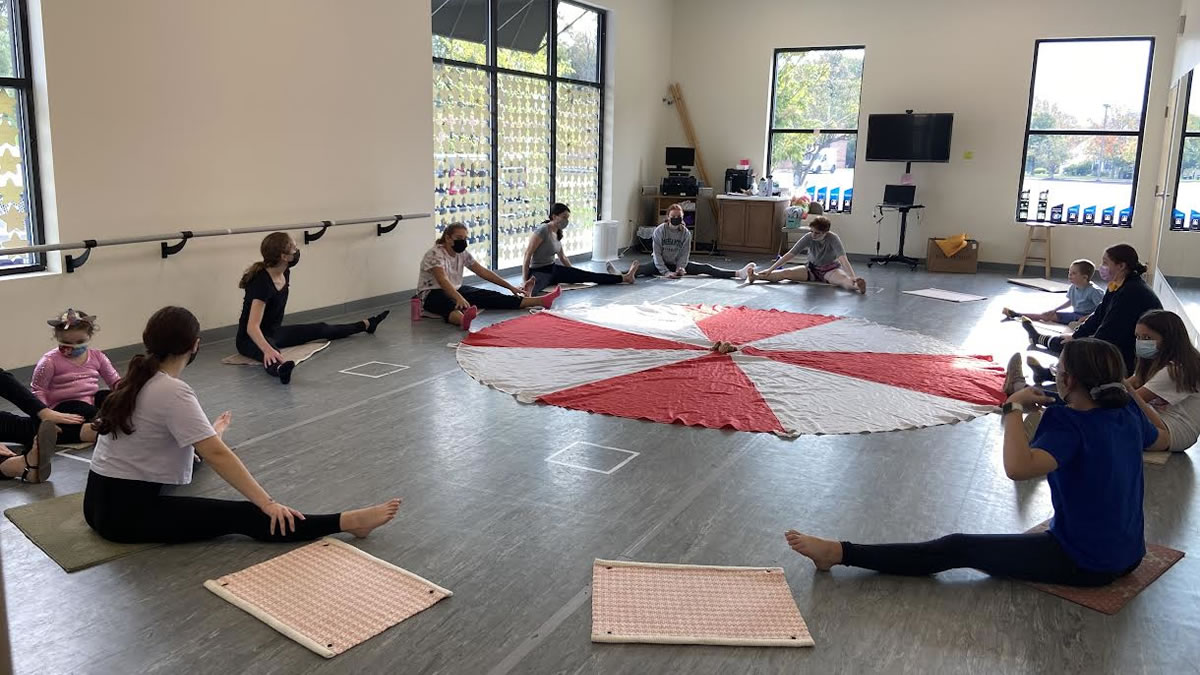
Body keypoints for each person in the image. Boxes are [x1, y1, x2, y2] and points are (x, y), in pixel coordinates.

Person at [786, 338, 1164, 587]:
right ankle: (1017, 386)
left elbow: (1017, 468)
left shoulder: (1068, 423)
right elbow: (1160, 435)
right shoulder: (1127, 414)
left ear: (1067, 378)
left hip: (1086, 562)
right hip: (1130, 554)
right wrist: (1131, 394)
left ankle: (839, 552)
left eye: (1058, 370)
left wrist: (1013, 409)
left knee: (957, 547)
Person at [84, 306, 401, 544]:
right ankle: (349, 522)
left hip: (97, 501)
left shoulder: (139, 378)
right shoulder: (172, 390)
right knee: (247, 515)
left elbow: (178, 443)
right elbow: (218, 456)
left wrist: (213, 433)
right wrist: (268, 502)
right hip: (123, 518)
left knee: (194, 461)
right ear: (195, 345)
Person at [237, 232, 390, 384]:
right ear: (283, 256)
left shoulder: (285, 271)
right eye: (294, 248)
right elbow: (252, 327)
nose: (297, 251)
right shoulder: (261, 282)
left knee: (321, 329)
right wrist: (267, 349)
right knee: (273, 353)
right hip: (250, 338)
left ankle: (366, 324)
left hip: (273, 332)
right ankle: (281, 370)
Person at [1022, 244, 1160, 375]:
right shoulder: (1118, 285)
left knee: (1079, 352)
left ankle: (1050, 373)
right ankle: (1038, 339)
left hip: (1133, 349)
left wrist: (1085, 344)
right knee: (1070, 342)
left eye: (1106, 263)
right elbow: (1099, 314)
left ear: (1121, 266)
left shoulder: (1131, 292)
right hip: (1121, 340)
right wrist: (1076, 335)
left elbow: (1110, 330)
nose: (1102, 267)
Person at [418, 222, 562, 331]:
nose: (463, 241)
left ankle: (539, 300)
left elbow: (483, 272)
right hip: (431, 292)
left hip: (456, 288)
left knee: (489, 296)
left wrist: (510, 286)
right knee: (446, 304)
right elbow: (442, 280)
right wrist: (458, 297)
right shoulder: (435, 254)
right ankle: (463, 320)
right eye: (459, 238)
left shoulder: (462, 253)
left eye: (465, 238)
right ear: (448, 238)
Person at [29, 308, 118, 446]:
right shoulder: (49, 361)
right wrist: (46, 416)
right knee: (83, 408)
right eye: (67, 342)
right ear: (58, 338)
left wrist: (123, 397)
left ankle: (108, 419)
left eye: (80, 341)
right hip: (63, 406)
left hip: (90, 400)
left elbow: (114, 380)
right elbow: (38, 390)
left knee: (109, 397)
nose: (74, 346)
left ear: (89, 336)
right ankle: (104, 423)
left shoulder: (97, 356)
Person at [1125, 310, 1200, 454]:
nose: (1140, 342)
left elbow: (1130, 397)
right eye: (1138, 337)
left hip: (1173, 430)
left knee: (1113, 420)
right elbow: (1132, 383)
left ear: (1169, 340)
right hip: (1158, 421)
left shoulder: (1176, 370)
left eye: (1147, 338)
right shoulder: (1153, 361)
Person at [523, 203, 638, 294]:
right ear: (554, 216)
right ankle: (527, 287)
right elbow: (528, 254)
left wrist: (573, 273)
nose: (566, 221)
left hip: (553, 269)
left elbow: (562, 257)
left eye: (567, 218)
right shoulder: (543, 230)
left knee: (589, 276)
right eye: (564, 217)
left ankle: (625, 278)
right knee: (531, 290)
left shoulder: (557, 232)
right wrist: (525, 279)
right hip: (539, 271)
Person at [746, 216, 867, 294]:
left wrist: (853, 277)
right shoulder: (808, 237)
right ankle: (755, 277)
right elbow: (790, 254)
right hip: (811, 268)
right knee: (785, 273)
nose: (813, 235)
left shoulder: (833, 238)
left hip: (830, 270)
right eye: (812, 231)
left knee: (843, 280)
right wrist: (771, 268)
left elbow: (843, 260)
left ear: (825, 232)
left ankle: (857, 286)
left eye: (817, 233)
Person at [636, 204, 753, 280]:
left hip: (677, 264)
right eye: (673, 216)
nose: (676, 218)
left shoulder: (686, 233)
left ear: (682, 217)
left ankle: (738, 273)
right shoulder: (660, 231)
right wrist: (665, 272)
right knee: (639, 269)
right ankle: (620, 276)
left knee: (706, 268)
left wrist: (680, 268)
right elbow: (656, 254)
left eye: (679, 216)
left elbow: (684, 253)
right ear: (668, 217)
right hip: (660, 264)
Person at [1003, 259, 1104, 325]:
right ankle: (1017, 314)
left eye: (1073, 274)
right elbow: (1070, 301)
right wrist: (1054, 310)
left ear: (1084, 277)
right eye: (1069, 273)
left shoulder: (1094, 291)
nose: (1069, 276)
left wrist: (1086, 318)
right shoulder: (1073, 287)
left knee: (1082, 324)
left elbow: (1103, 310)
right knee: (1046, 316)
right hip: (1075, 315)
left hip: (1089, 318)